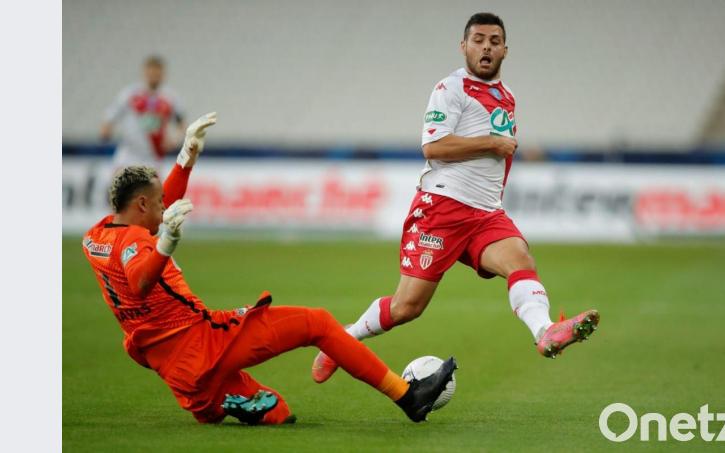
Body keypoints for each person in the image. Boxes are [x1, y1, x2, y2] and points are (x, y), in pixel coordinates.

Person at [82, 112, 457, 425]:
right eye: (161, 203)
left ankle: (220, 403)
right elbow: (141, 281)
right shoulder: (138, 243)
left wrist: (186, 158)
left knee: (279, 412)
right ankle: (409, 396)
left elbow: (142, 246)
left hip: (177, 373)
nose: (168, 207)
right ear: (143, 204)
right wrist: (166, 244)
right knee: (318, 323)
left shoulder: (97, 238)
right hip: (204, 343)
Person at [312, 12, 599, 384]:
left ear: (505, 51)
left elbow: (498, 155)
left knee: (520, 259)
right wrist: (492, 143)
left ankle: (545, 332)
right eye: (478, 40)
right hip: (442, 210)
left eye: (494, 41)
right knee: (406, 308)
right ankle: (343, 340)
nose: (486, 47)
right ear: (464, 46)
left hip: (484, 214)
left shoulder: (507, 96)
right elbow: (433, 146)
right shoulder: (451, 89)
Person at [100, 55, 187, 169]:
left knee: (153, 186)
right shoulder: (130, 94)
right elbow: (110, 116)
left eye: (157, 73)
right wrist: (106, 129)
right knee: (119, 184)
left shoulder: (170, 98)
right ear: (144, 72)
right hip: (129, 154)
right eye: (151, 72)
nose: (154, 76)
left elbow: (182, 125)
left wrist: (174, 140)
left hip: (153, 157)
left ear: (163, 74)